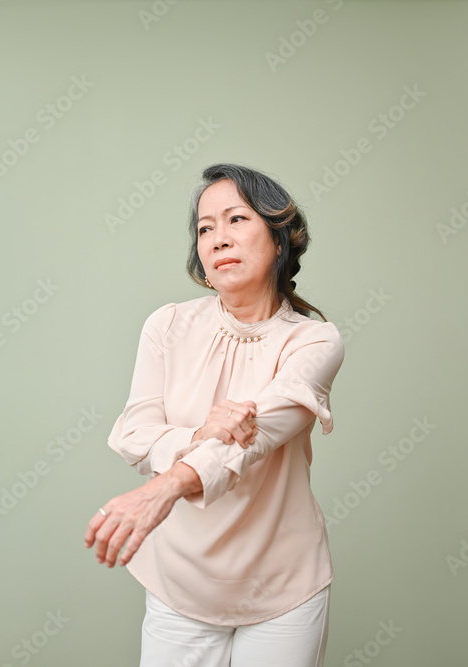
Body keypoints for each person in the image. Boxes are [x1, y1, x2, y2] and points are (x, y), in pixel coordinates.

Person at [83, 163, 346, 666]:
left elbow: (254, 437)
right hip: (178, 582)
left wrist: (162, 489)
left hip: (282, 586)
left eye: (236, 220)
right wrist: (199, 433)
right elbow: (135, 433)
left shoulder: (314, 342)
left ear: (279, 240)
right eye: (205, 228)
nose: (218, 238)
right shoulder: (167, 326)